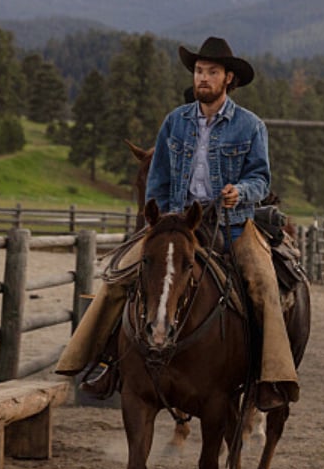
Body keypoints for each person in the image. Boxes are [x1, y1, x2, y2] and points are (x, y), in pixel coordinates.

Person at [57, 36, 298, 411]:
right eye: (199, 71)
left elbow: (261, 179)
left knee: (263, 283)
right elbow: (158, 180)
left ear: (228, 79)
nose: (203, 78)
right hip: (176, 224)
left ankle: (270, 378)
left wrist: (242, 192)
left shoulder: (250, 126)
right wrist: (160, 221)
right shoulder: (175, 123)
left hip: (231, 223)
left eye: (212, 72)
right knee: (119, 274)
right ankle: (101, 364)